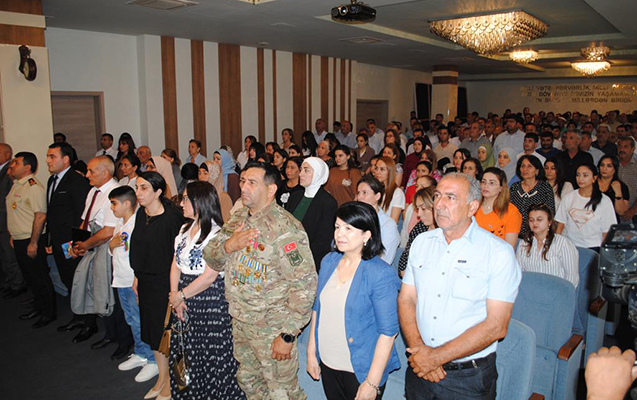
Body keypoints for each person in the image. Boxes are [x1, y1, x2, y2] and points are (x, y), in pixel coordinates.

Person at [398, 172, 521, 400]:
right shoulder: (421, 242)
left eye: (451, 197)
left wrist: (435, 358)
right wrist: (420, 351)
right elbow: (406, 299)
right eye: (437, 196)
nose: (439, 205)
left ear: (472, 207)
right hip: (419, 367)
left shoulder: (497, 253)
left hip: (467, 378)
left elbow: (496, 326)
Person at [202, 162, 317, 399]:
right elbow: (211, 257)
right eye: (243, 181)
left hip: (272, 329)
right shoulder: (238, 218)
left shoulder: (286, 228)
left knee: (282, 392)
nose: (244, 187)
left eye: (252, 183)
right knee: (249, 382)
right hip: (241, 322)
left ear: (271, 189)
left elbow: (304, 286)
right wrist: (229, 245)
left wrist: (287, 335)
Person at [306, 201, 401, 400]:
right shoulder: (329, 261)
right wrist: (311, 352)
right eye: (337, 227)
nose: (339, 234)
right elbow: (317, 309)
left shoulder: (380, 273)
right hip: (329, 362)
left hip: (361, 369)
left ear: (366, 235)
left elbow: (388, 332)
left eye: (348, 228)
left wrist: (372, 382)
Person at [168, 181, 245, 399]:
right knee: (184, 351)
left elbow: (210, 276)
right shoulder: (184, 229)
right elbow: (175, 264)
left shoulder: (217, 234)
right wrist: (174, 294)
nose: (181, 203)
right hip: (183, 296)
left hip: (209, 300)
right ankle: (188, 394)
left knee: (212, 354)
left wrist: (180, 295)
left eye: (185, 199)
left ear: (199, 202)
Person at [130, 171, 185, 400]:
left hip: (166, 282)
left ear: (158, 191)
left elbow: (178, 256)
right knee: (153, 333)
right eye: (137, 187)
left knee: (169, 335)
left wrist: (175, 290)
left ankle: (174, 382)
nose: (138, 193)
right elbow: (138, 247)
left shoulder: (172, 217)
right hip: (146, 282)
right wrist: (136, 277)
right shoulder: (141, 213)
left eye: (144, 188)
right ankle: (162, 377)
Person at [72, 157, 128, 351]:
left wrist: (85, 245)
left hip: (108, 249)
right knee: (97, 290)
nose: (87, 175)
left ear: (105, 173)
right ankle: (109, 333)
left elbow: (107, 231)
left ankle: (121, 339)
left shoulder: (115, 192)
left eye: (91, 171)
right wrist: (77, 244)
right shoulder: (93, 191)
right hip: (92, 245)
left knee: (110, 295)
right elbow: (85, 222)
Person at [107, 185, 158, 382]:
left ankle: (152, 359)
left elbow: (141, 254)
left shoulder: (137, 224)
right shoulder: (120, 223)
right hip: (120, 278)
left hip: (132, 279)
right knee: (130, 319)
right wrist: (111, 245)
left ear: (127, 204)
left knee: (139, 319)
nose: (112, 208)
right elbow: (115, 249)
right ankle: (140, 352)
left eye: (114, 204)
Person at [46, 142, 92, 336]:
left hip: (71, 243)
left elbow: (82, 216)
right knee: (67, 278)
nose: (48, 160)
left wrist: (78, 245)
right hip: (58, 241)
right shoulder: (52, 180)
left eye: (52, 156)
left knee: (79, 279)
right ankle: (78, 315)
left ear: (65, 159)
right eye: (48, 156)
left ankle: (89, 321)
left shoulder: (77, 181)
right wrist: (49, 240)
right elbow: (52, 214)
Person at [6, 152, 56, 328]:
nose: (12, 165)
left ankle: (48, 313)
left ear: (27, 167)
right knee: (29, 277)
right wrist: (13, 235)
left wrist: (33, 243)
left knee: (39, 276)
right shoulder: (17, 185)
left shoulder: (33, 187)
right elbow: (18, 214)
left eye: (16, 162)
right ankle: (38, 306)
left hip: (31, 239)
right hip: (20, 238)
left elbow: (40, 216)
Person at [286, 157, 338, 270]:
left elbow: (323, 240)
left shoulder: (328, 202)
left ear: (318, 174)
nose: (300, 174)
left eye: (306, 170)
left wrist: (301, 256)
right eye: (301, 169)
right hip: (288, 254)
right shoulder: (295, 196)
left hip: (312, 260)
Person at [555, 164, 617, 252]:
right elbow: (560, 225)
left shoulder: (605, 201)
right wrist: (556, 246)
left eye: (585, 175)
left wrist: (605, 252)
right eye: (578, 175)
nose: (580, 179)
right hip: (569, 246)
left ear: (594, 178)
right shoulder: (569, 197)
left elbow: (607, 231)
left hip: (593, 247)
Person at [516, 204, 579, 288]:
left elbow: (572, 278)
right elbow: (519, 273)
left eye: (539, 219)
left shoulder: (563, 244)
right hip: (530, 290)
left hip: (556, 291)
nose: (535, 223)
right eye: (531, 220)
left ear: (549, 222)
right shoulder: (524, 243)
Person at [356, 175, 400, 266]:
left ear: (377, 196)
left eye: (364, 193)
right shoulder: (355, 220)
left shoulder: (388, 225)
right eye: (358, 193)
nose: (359, 197)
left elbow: (385, 260)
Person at [0, 143, 25, 298]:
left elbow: (11, 200)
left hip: (7, 221)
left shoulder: (10, 172)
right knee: (3, 256)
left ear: (7, 154)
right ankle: (9, 282)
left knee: (10, 256)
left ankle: (17, 284)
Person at [509, 155, 556, 237]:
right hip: (514, 232)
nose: (525, 169)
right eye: (522, 166)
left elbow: (550, 212)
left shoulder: (545, 188)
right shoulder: (514, 187)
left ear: (537, 170)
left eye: (529, 166)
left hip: (536, 234)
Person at [476, 167, 522, 248]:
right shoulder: (473, 207)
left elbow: (509, 248)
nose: (486, 186)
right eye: (483, 182)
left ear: (501, 188)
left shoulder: (511, 212)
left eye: (491, 183)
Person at [398, 187, 436, 277]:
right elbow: (404, 262)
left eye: (423, 209)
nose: (419, 214)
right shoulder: (420, 228)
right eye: (418, 209)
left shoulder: (447, 233)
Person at [372, 157, 405, 223]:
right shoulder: (375, 189)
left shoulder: (397, 193)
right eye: (376, 168)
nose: (377, 172)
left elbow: (394, 221)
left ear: (390, 171)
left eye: (382, 169)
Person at [597, 155, 630, 220]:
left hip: (611, 220)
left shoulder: (622, 186)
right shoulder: (591, 182)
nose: (604, 168)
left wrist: (618, 192)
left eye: (609, 166)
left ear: (615, 169)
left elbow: (621, 212)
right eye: (602, 165)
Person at [617, 137, 637, 223]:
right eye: (620, 146)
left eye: (625, 147)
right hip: (613, 212)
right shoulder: (611, 164)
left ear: (633, 149)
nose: (622, 149)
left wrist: (633, 210)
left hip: (634, 214)